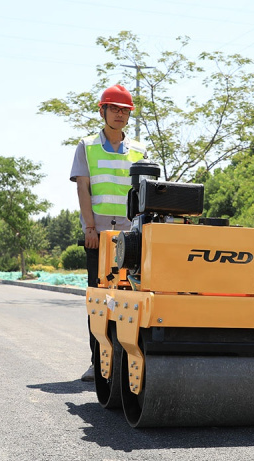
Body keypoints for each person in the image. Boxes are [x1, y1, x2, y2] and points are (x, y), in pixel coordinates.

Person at [69, 84, 147, 381]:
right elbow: (83, 189)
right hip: (98, 235)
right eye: (113, 108)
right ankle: (97, 362)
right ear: (102, 111)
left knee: (130, 300)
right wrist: (89, 227)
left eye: (124, 110)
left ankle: (129, 362)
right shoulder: (86, 146)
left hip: (131, 238)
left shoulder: (138, 151)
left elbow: (143, 196)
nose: (119, 114)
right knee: (99, 300)